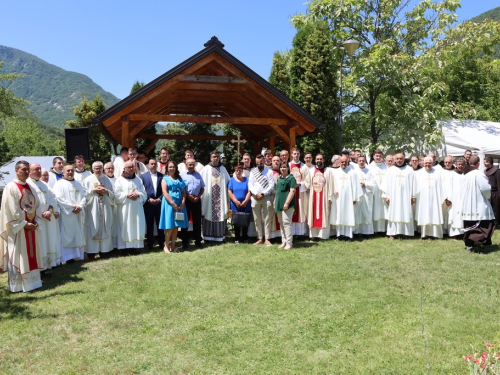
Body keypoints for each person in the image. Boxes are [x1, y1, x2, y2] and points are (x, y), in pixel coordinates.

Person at [0, 161, 43, 292]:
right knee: (19, 255)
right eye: (23, 169)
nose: (26, 172)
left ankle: (32, 283)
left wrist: (35, 221)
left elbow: (37, 204)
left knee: (30, 253)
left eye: (27, 169)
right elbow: (11, 210)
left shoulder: (30, 187)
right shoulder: (11, 187)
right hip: (18, 229)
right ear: (16, 170)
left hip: (30, 227)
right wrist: (24, 224)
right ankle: (17, 286)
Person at [27, 163, 61, 269]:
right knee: (39, 244)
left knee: (48, 242)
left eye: (39, 169)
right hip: (37, 220)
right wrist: (39, 213)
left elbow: (53, 198)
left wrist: (50, 210)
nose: (38, 171)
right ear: (29, 171)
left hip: (47, 219)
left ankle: (47, 266)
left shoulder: (44, 184)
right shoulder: (27, 185)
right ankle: (39, 268)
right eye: (36, 169)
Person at [53, 165, 86, 263]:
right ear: (63, 172)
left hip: (77, 213)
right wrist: (72, 207)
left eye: (72, 170)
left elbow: (84, 197)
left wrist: (79, 206)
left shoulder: (78, 184)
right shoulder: (59, 184)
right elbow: (58, 198)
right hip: (66, 214)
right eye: (68, 171)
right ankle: (68, 258)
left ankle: (78, 256)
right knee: (66, 235)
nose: (70, 172)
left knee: (77, 234)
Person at [461, 155, 495, 252]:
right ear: (478, 163)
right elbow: (485, 189)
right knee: (484, 224)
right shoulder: (478, 174)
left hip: (466, 204)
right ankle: (476, 241)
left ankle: (469, 245)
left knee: (469, 224)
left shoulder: (464, 174)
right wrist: (488, 196)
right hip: (478, 204)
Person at [82, 161, 115, 260]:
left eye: (100, 168)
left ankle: (104, 252)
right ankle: (91, 253)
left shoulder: (107, 180)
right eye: (96, 168)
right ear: (92, 169)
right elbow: (83, 195)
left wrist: (106, 191)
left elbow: (113, 194)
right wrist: (93, 191)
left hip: (104, 207)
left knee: (105, 226)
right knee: (93, 226)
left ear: (102, 169)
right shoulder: (87, 180)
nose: (98, 170)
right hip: (93, 208)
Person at [114, 160, 147, 255]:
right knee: (125, 226)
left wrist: (138, 194)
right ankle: (123, 249)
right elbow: (116, 193)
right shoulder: (119, 180)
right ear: (124, 169)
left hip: (136, 208)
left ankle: (134, 247)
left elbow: (144, 193)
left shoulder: (138, 180)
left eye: (132, 167)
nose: (131, 169)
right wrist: (126, 195)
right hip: (125, 208)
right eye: (129, 167)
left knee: (136, 225)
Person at [382, 153, 417, 240]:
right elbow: (386, 184)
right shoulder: (390, 170)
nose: (399, 160)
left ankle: (407, 233)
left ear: (404, 159)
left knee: (406, 212)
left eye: (401, 158)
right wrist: (387, 196)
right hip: (394, 197)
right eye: (397, 159)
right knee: (394, 213)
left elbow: (414, 184)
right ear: (395, 160)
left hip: (406, 196)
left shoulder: (409, 170)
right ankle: (392, 233)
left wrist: (413, 196)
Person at [329, 155, 362, 240]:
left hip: (349, 198)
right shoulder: (335, 173)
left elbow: (356, 186)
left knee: (348, 215)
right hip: (338, 198)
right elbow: (332, 184)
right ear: (339, 162)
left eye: (345, 162)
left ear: (348, 162)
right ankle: (339, 235)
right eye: (342, 162)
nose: (343, 163)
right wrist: (333, 191)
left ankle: (349, 235)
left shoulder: (352, 172)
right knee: (339, 215)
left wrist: (355, 198)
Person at [200, 151, 230, 242]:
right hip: (209, 198)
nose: (215, 158)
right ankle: (207, 237)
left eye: (217, 157)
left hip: (220, 198)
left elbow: (228, 183)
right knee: (208, 213)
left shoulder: (223, 169)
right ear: (210, 158)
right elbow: (201, 183)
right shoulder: (206, 169)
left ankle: (219, 236)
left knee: (220, 215)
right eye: (214, 157)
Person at [159, 161, 189, 252]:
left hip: (179, 204)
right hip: (169, 204)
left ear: (176, 168)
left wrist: (183, 202)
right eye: (170, 167)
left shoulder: (180, 179)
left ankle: (173, 244)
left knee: (177, 225)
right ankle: (166, 246)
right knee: (170, 225)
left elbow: (184, 192)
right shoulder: (165, 179)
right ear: (167, 168)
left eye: (173, 167)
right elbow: (164, 192)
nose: (172, 168)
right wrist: (172, 203)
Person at [414, 157, 445, 239]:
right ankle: (424, 234)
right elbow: (416, 186)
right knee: (424, 214)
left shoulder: (437, 173)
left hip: (435, 198)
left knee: (435, 214)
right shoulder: (419, 173)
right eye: (426, 163)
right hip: (423, 198)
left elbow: (441, 187)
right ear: (423, 163)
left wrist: (441, 198)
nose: (428, 164)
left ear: (432, 163)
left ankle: (436, 234)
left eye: (429, 163)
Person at [249, 154, 276, 246]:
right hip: (255, 197)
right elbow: (250, 185)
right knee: (257, 219)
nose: (259, 165)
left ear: (264, 161)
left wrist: (263, 194)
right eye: (257, 163)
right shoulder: (253, 172)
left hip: (266, 197)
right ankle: (260, 238)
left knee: (268, 218)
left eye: (260, 163)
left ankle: (267, 238)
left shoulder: (269, 172)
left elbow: (271, 185)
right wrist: (256, 194)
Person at [308, 154, 335, 239]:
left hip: (324, 196)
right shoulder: (311, 171)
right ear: (315, 160)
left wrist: (330, 196)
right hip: (313, 196)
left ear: (323, 160)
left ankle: (323, 235)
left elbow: (331, 184)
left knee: (324, 214)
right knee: (313, 213)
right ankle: (313, 235)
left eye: (320, 159)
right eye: (317, 159)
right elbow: (307, 183)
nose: (319, 161)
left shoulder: (328, 171)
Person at [140, 158, 165, 251]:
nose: (153, 165)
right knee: (149, 224)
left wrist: (159, 199)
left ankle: (161, 244)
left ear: (157, 165)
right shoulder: (143, 177)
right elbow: (142, 190)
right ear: (148, 165)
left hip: (159, 203)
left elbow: (165, 190)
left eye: (155, 164)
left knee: (160, 224)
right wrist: (148, 199)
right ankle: (150, 244)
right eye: (151, 164)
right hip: (148, 204)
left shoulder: (162, 176)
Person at [180, 158, 205, 248]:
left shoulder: (198, 175)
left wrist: (198, 197)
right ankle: (184, 242)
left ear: (195, 165)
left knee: (197, 221)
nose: (191, 166)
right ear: (186, 165)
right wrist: (188, 196)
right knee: (185, 221)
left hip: (197, 200)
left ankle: (198, 241)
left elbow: (202, 188)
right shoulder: (182, 175)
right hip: (186, 200)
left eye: (193, 164)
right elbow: (181, 188)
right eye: (189, 164)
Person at [289, 147, 311, 236]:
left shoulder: (304, 167)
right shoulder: (288, 165)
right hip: (290, 192)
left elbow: (308, 180)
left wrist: (300, 184)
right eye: (294, 153)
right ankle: (291, 233)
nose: (296, 155)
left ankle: (300, 233)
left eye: (297, 153)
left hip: (301, 193)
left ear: (300, 154)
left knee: (300, 210)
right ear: (291, 154)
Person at [275, 162, 296, 249]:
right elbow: (277, 192)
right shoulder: (279, 178)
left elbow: (292, 191)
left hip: (287, 204)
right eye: (281, 167)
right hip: (279, 203)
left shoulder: (291, 178)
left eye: (284, 167)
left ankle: (289, 243)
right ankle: (284, 241)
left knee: (286, 223)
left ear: (288, 168)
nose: (282, 169)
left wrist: (286, 203)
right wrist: (274, 202)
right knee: (281, 223)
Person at [228, 165, 251, 244]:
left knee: (245, 221)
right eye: (237, 170)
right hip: (235, 204)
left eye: (240, 170)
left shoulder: (247, 180)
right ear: (235, 171)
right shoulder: (231, 180)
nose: (238, 171)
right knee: (237, 222)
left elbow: (249, 191)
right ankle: (237, 237)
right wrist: (236, 201)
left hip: (245, 204)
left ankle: (245, 237)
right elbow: (229, 191)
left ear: (242, 171)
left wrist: (245, 201)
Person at [354, 155, 375, 236]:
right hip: (358, 195)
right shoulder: (354, 171)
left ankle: (367, 232)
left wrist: (365, 184)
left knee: (367, 211)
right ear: (357, 161)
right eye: (360, 161)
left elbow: (374, 184)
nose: (361, 162)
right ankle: (357, 231)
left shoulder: (370, 171)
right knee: (357, 212)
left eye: (363, 160)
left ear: (365, 161)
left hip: (367, 194)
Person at [368, 150, 388, 233]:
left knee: (384, 209)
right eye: (376, 156)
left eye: (380, 156)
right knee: (374, 209)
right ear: (373, 156)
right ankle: (374, 229)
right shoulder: (369, 167)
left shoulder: (385, 167)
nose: (378, 157)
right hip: (374, 191)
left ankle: (383, 229)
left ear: (382, 157)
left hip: (384, 191)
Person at [104, 162, 118, 249]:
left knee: (116, 226)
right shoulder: (103, 180)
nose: (110, 170)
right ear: (104, 170)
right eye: (108, 168)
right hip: (107, 206)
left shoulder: (118, 180)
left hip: (117, 206)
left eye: (112, 168)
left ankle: (116, 245)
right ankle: (109, 246)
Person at [484, 156, 500, 227]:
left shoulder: (497, 171)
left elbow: (499, 183)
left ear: (489, 162)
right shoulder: (485, 171)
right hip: (488, 192)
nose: (484, 163)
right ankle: (489, 222)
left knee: (495, 209)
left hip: (495, 193)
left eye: (485, 162)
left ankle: (495, 223)